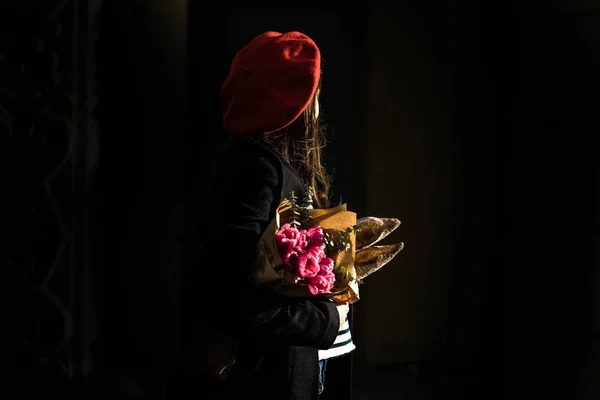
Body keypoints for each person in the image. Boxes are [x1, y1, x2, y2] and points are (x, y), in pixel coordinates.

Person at [165, 31, 352, 400]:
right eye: (311, 92)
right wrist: (327, 319)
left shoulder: (267, 166)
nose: (317, 106)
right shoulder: (259, 170)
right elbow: (226, 297)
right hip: (262, 378)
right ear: (295, 101)